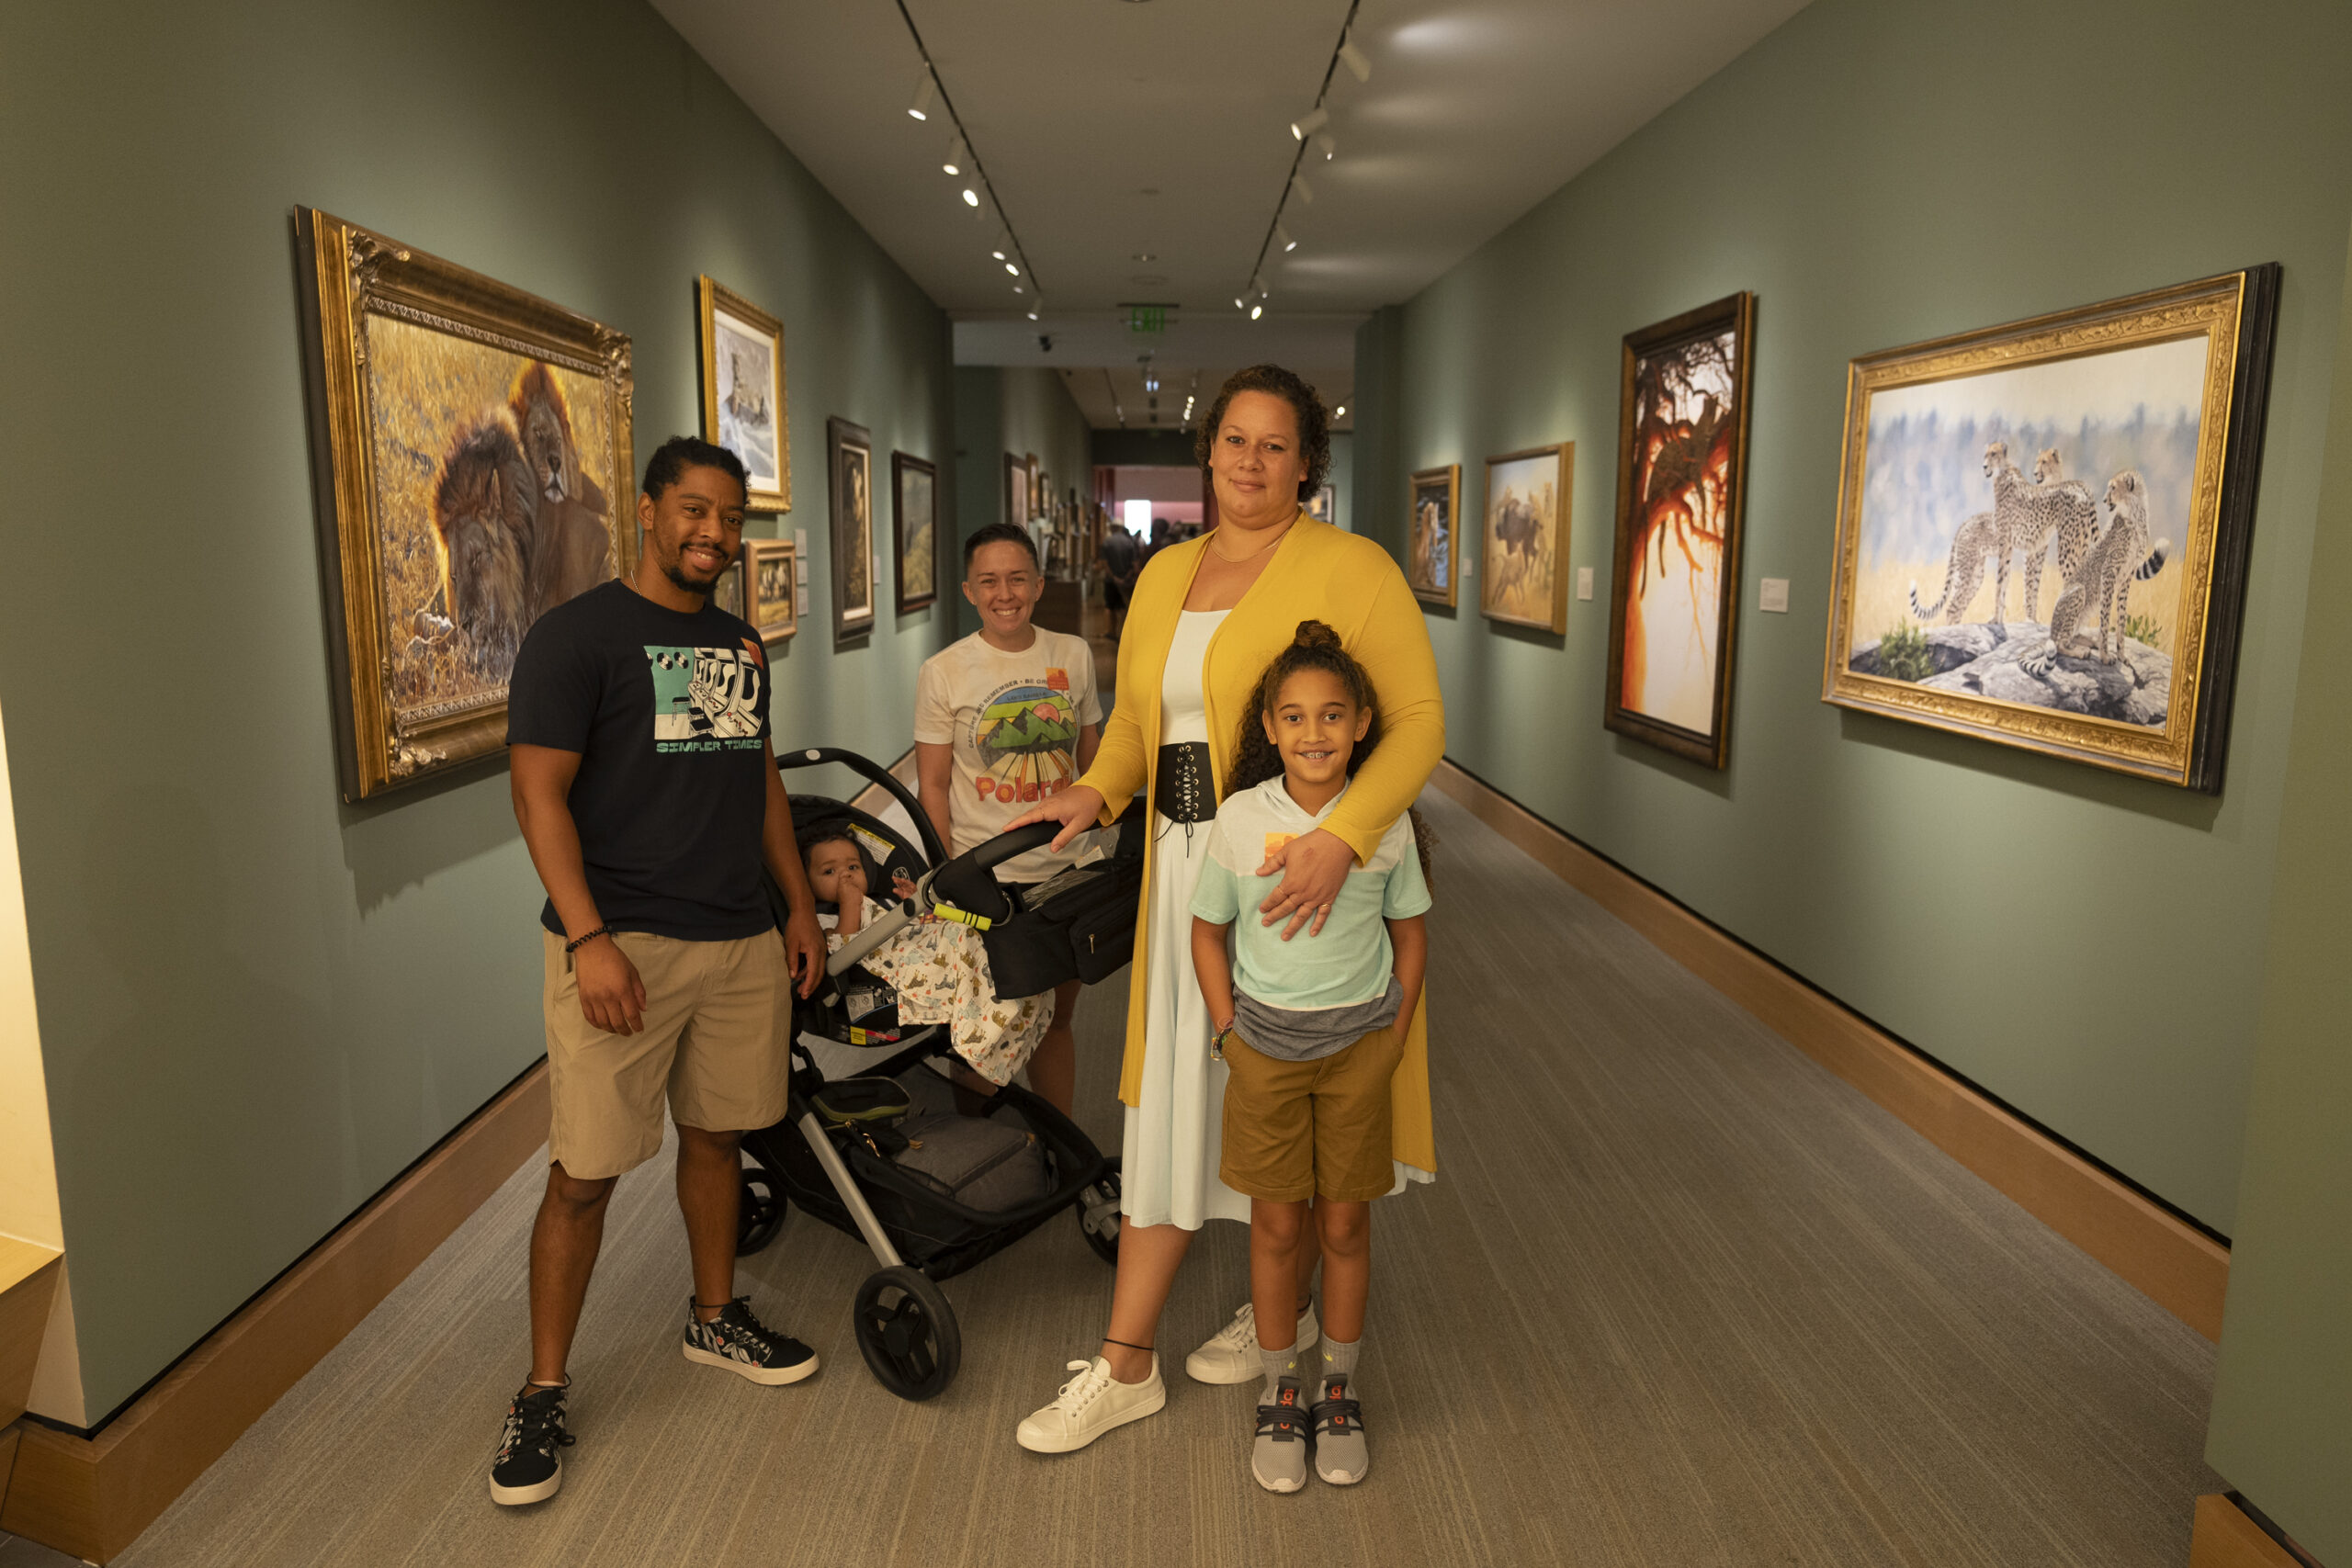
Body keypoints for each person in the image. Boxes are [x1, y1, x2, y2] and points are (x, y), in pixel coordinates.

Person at [1005, 365, 1445, 1455]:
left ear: (1307, 465)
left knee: (1285, 1082)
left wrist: (1343, 842)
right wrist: (1097, 789)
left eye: (1275, 446)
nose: (1250, 462)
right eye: (1234, 441)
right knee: (1171, 1097)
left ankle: (1276, 1316)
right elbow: (1138, 726)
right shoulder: (1164, 575)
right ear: (1208, 452)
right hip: (1186, 868)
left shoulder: (1356, 570)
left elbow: (1420, 724)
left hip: (1297, 873)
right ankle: (1127, 1363)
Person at [491, 436, 828, 1507]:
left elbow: (758, 778)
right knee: (584, 1174)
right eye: (692, 512)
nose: (713, 535)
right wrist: (589, 939)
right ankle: (543, 1387)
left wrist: (797, 903)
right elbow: (538, 796)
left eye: (729, 519)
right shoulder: (575, 639)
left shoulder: (739, 643)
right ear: (647, 512)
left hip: (736, 936)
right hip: (622, 944)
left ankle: (714, 1315)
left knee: (719, 1137)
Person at [1190, 621, 1429, 1491]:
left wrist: (1392, 1035)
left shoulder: (1383, 818)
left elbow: (1411, 933)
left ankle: (1339, 1382)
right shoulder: (1242, 815)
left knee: (1344, 1223)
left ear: (1362, 722)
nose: (1315, 733)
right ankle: (1279, 1387)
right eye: (1295, 717)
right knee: (1279, 1223)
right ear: (1271, 726)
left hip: (1359, 1050)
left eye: (1333, 715)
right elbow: (1206, 930)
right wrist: (1229, 1033)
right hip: (1266, 1056)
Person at [913, 522, 1102, 1112]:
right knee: (987, 1030)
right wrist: (944, 879)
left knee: (1057, 1018)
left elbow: (1094, 767)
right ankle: (978, 1155)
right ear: (969, 591)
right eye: (989, 581)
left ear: (1039, 584)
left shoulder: (1071, 654)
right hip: (988, 881)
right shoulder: (943, 671)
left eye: (1017, 579)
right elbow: (935, 787)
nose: (1005, 593)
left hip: (1067, 871)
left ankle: (1056, 1142)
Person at [803, 826, 1052, 1088]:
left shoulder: (880, 902)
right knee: (963, 940)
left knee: (971, 930)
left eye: (853, 867)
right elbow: (841, 949)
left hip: (923, 948)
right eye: (829, 871)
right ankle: (984, 1024)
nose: (845, 876)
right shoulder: (823, 920)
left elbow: (920, 932)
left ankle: (1013, 983)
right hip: (882, 974)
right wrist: (850, 904)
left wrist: (915, 906)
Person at [1101, 522, 1140, 640]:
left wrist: (1113, 577)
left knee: (1109, 606)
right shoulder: (1129, 542)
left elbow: (1105, 563)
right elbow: (1134, 563)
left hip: (1110, 580)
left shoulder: (1107, 542)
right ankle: (1124, 631)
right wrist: (1126, 577)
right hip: (1126, 580)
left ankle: (1110, 631)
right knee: (1123, 606)